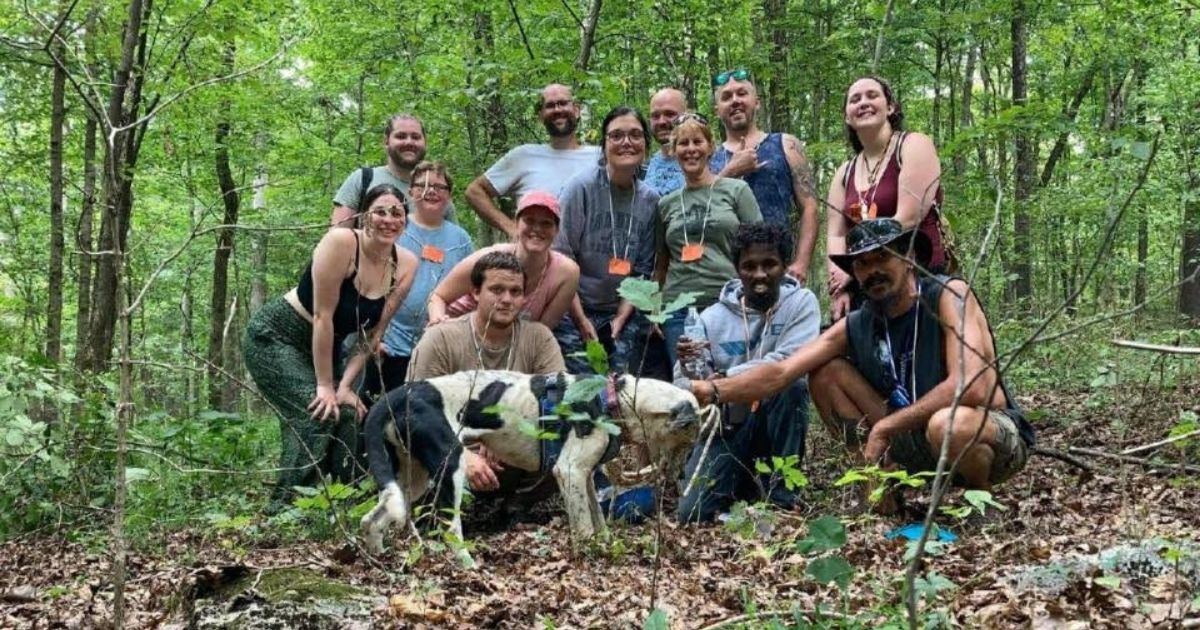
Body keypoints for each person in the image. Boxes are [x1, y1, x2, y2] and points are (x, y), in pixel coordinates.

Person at [689, 219, 1033, 505]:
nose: (873, 271)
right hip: (912, 436)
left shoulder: (949, 295)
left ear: (910, 256)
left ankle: (981, 501)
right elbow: (782, 372)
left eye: (882, 257)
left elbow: (972, 386)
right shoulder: (860, 321)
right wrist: (710, 389)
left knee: (948, 423)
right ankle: (881, 492)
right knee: (825, 374)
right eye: (862, 264)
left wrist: (884, 427)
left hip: (982, 433)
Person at [243, 184, 419, 507]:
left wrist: (346, 385)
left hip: (330, 346)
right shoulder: (341, 242)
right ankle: (286, 510)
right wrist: (326, 385)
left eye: (397, 213)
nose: (388, 220)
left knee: (350, 413)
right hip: (279, 335)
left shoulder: (406, 264)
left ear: (406, 220)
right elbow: (323, 318)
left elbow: (372, 336)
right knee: (317, 411)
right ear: (364, 215)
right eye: (380, 211)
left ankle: (343, 506)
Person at [674, 223, 821, 523]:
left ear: (784, 266)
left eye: (769, 264)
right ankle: (742, 486)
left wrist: (724, 378)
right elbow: (685, 384)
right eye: (749, 266)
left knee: (792, 386)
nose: (759, 274)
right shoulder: (710, 318)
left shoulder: (801, 304)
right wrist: (690, 368)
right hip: (729, 427)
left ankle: (783, 495)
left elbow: (786, 361)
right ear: (737, 269)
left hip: (774, 420)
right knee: (692, 513)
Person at [407, 251, 565, 495]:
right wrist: (464, 456)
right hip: (451, 453)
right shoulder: (440, 338)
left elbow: (558, 404)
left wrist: (503, 435)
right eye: (497, 290)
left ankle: (516, 507)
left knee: (566, 447)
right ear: (476, 292)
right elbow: (415, 412)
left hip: (517, 453)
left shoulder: (539, 338)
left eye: (515, 292)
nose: (506, 299)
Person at [827, 76, 948, 321]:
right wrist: (840, 285)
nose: (863, 103)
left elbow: (909, 217)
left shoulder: (913, 145)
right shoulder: (844, 172)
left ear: (890, 107)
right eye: (855, 99)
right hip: (866, 284)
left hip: (918, 277)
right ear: (847, 117)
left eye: (872, 95)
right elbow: (836, 234)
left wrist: (855, 267)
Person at [553, 106, 661, 375]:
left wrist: (621, 318)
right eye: (617, 135)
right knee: (584, 384)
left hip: (622, 308)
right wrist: (581, 320)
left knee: (620, 386)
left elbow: (642, 270)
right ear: (604, 146)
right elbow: (560, 258)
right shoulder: (581, 188)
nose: (626, 142)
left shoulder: (650, 200)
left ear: (646, 145)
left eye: (635, 135)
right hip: (574, 305)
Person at [358, 162, 473, 405]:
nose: (431, 191)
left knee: (426, 420)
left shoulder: (460, 238)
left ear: (449, 196)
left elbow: (472, 287)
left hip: (439, 347)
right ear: (410, 192)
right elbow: (365, 282)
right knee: (381, 415)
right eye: (423, 185)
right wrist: (372, 335)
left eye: (439, 186)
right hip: (389, 346)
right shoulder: (394, 226)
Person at [655, 113, 762, 367]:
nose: (690, 149)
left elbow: (759, 248)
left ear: (710, 147)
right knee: (690, 384)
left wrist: (758, 297)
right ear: (674, 150)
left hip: (728, 302)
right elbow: (661, 263)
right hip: (679, 309)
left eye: (697, 142)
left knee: (734, 378)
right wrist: (655, 310)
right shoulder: (665, 204)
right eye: (683, 143)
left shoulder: (736, 190)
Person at [707, 69, 819, 284]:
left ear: (757, 102)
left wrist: (801, 264)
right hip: (724, 274)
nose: (735, 101)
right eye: (726, 97)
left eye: (742, 93)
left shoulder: (786, 144)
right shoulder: (708, 157)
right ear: (717, 110)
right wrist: (731, 171)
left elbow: (810, 207)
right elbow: (701, 209)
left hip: (777, 267)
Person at [427, 191, 580, 331]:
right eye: (529, 221)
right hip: (456, 332)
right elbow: (438, 297)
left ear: (557, 229)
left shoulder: (566, 273)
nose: (537, 229)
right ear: (516, 224)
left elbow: (539, 334)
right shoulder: (487, 259)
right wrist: (439, 324)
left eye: (546, 223)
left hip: (502, 345)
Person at [465, 83, 601, 238]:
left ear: (576, 110)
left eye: (563, 103)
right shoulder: (523, 156)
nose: (557, 110)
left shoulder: (600, 158)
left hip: (590, 256)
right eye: (549, 106)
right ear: (540, 116)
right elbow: (474, 191)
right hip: (535, 256)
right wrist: (510, 227)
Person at [330, 113, 456, 227]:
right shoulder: (363, 179)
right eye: (401, 136)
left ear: (425, 142)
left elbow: (453, 244)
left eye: (416, 137)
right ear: (386, 142)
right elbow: (336, 238)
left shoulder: (438, 193)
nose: (409, 142)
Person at [645, 88, 688, 197]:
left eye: (669, 114)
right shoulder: (646, 166)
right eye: (655, 116)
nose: (661, 121)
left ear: (686, 116)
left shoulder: (706, 159)